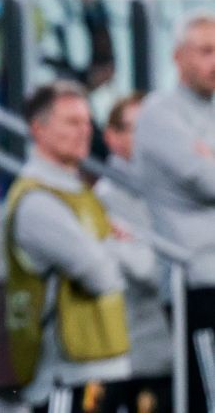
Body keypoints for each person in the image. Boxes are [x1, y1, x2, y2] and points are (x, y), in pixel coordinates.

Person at [5, 81, 139, 412]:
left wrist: (103, 247)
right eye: (72, 122)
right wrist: (113, 246)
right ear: (39, 128)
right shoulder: (37, 201)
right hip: (66, 374)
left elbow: (133, 262)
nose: (85, 131)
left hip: (102, 364)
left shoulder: (80, 192)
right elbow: (103, 276)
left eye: (87, 121)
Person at [133, 12, 215, 413]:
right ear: (177, 56)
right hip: (195, 282)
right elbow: (208, 182)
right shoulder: (158, 114)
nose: (214, 62)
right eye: (205, 51)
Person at [93, 94, 172, 412]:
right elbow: (148, 272)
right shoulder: (102, 200)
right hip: (125, 356)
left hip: (171, 350)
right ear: (111, 137)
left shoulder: (171, 191)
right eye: (137, 129)